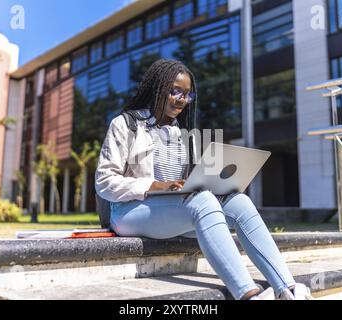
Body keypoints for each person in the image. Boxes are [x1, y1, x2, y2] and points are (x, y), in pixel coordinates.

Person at [95, 59, 312, 300]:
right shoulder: (126, 125)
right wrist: (155, 186)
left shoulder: (183, 134)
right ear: (157, 88)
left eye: (187, 94)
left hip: (171, 213)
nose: (181, 99)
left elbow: (185, 185)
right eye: (174, 91)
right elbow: (104, 182)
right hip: (129, 212)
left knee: (239, 202)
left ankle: (287, 289)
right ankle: (248, 294)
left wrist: (208, 184)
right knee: (203, 201)